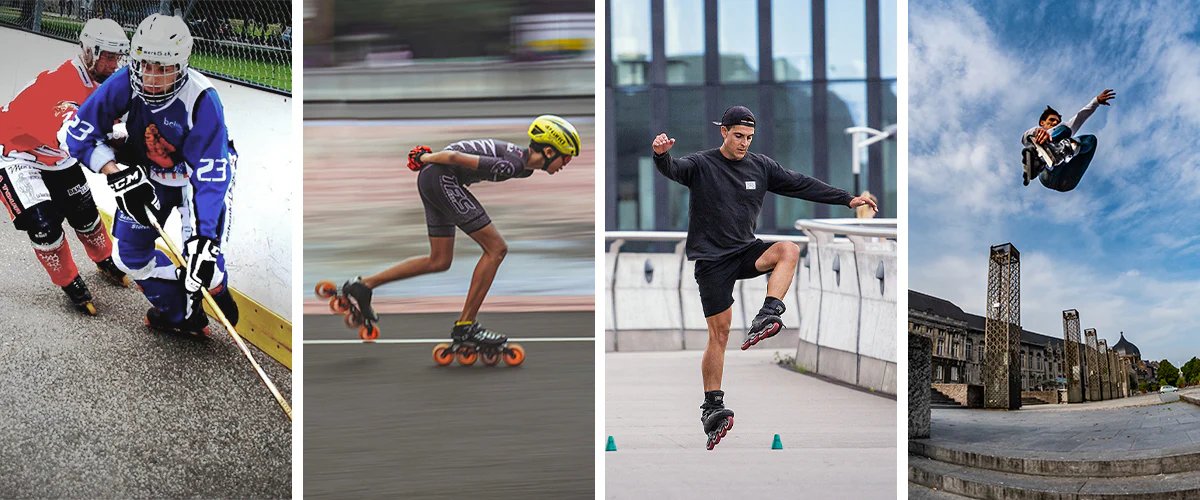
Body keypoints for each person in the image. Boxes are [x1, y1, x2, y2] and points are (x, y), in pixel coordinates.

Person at [652, 105, 877, 450]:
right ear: (723, 132)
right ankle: (712, 405)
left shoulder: (761, 166)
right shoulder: (701, 164)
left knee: (788, 249)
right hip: (711, 261)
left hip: (745, 252)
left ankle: (769, 311)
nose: (743, 143)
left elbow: (801, 184)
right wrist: (661, 156)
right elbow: (674, 169)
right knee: (720, 333)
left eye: (749, 138)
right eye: (738, 136)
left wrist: (847, 199)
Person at [333, 115, 580, 347]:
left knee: (439, 260)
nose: (566, 164)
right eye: (566, 158)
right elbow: (454, 158)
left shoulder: (523, 165)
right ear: (549, 151)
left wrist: (428, 163)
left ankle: (363, 286)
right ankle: (466, 326)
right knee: (496, 249)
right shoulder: (513, 164)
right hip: (441, 176)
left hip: (435, 179)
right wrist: (425, 158)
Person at [66, 13, 239, 334]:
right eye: (145, 64)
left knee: (204, 261)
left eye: (162, 68)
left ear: (181, 66)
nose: (150, 77)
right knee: (128, 257)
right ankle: (181, 312)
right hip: (149, 173)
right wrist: (116, 174)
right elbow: (78, 133)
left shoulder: (203, 99)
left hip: (194, 179)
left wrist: (205, 239)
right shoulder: (124, 83)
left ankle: (215, 286)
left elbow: (211, 177)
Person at [0, 18, 131, 315]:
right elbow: (73, 137)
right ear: (88, 52)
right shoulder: (61, 82)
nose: (114, 64)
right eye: (108, 56)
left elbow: (114, 128)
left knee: (85, 214)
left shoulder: (106, 82)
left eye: (117, 57)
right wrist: (114, 168)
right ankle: (69, 280)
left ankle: (104, 259)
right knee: (43, 225)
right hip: (16, 152)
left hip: (57, 155)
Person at [1022, 88, 1115, 191]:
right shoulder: (1035, 132)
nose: (1055, 123)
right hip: (1047, 174)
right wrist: (1037, 132)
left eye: (1057, 121)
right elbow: (1025, 138)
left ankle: (1061, 151)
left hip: (1067, 182)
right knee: (1064, 130)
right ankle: (1043, 159)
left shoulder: (1062, 128)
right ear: (1042, 122)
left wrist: (1096, 101)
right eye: (1052, 120)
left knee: (1091, 140)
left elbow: (1081, 116)